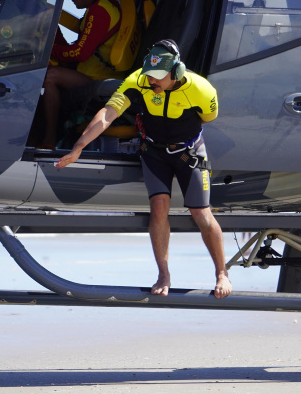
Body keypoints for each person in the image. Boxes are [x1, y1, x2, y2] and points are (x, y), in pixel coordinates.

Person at [56, 40, 231, 299]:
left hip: (189, 153)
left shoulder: (201, 89)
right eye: (149, 74)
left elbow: (208, 117)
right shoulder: (138, 80)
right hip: (154, 152)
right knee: (159, 208)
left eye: (158, 76)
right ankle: (163, 274)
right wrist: (79, 146)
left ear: (177, 72)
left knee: (201, 213)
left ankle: (222, 273)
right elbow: (108, 113)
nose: (151, 80)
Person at [39, 0, 123, 149]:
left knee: (51, 77)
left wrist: (51, 51)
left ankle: (49, 140)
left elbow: (81, 52)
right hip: (92, 73)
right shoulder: (100, 6)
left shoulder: (99, 11)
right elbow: (81, 38)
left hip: (98, 78)